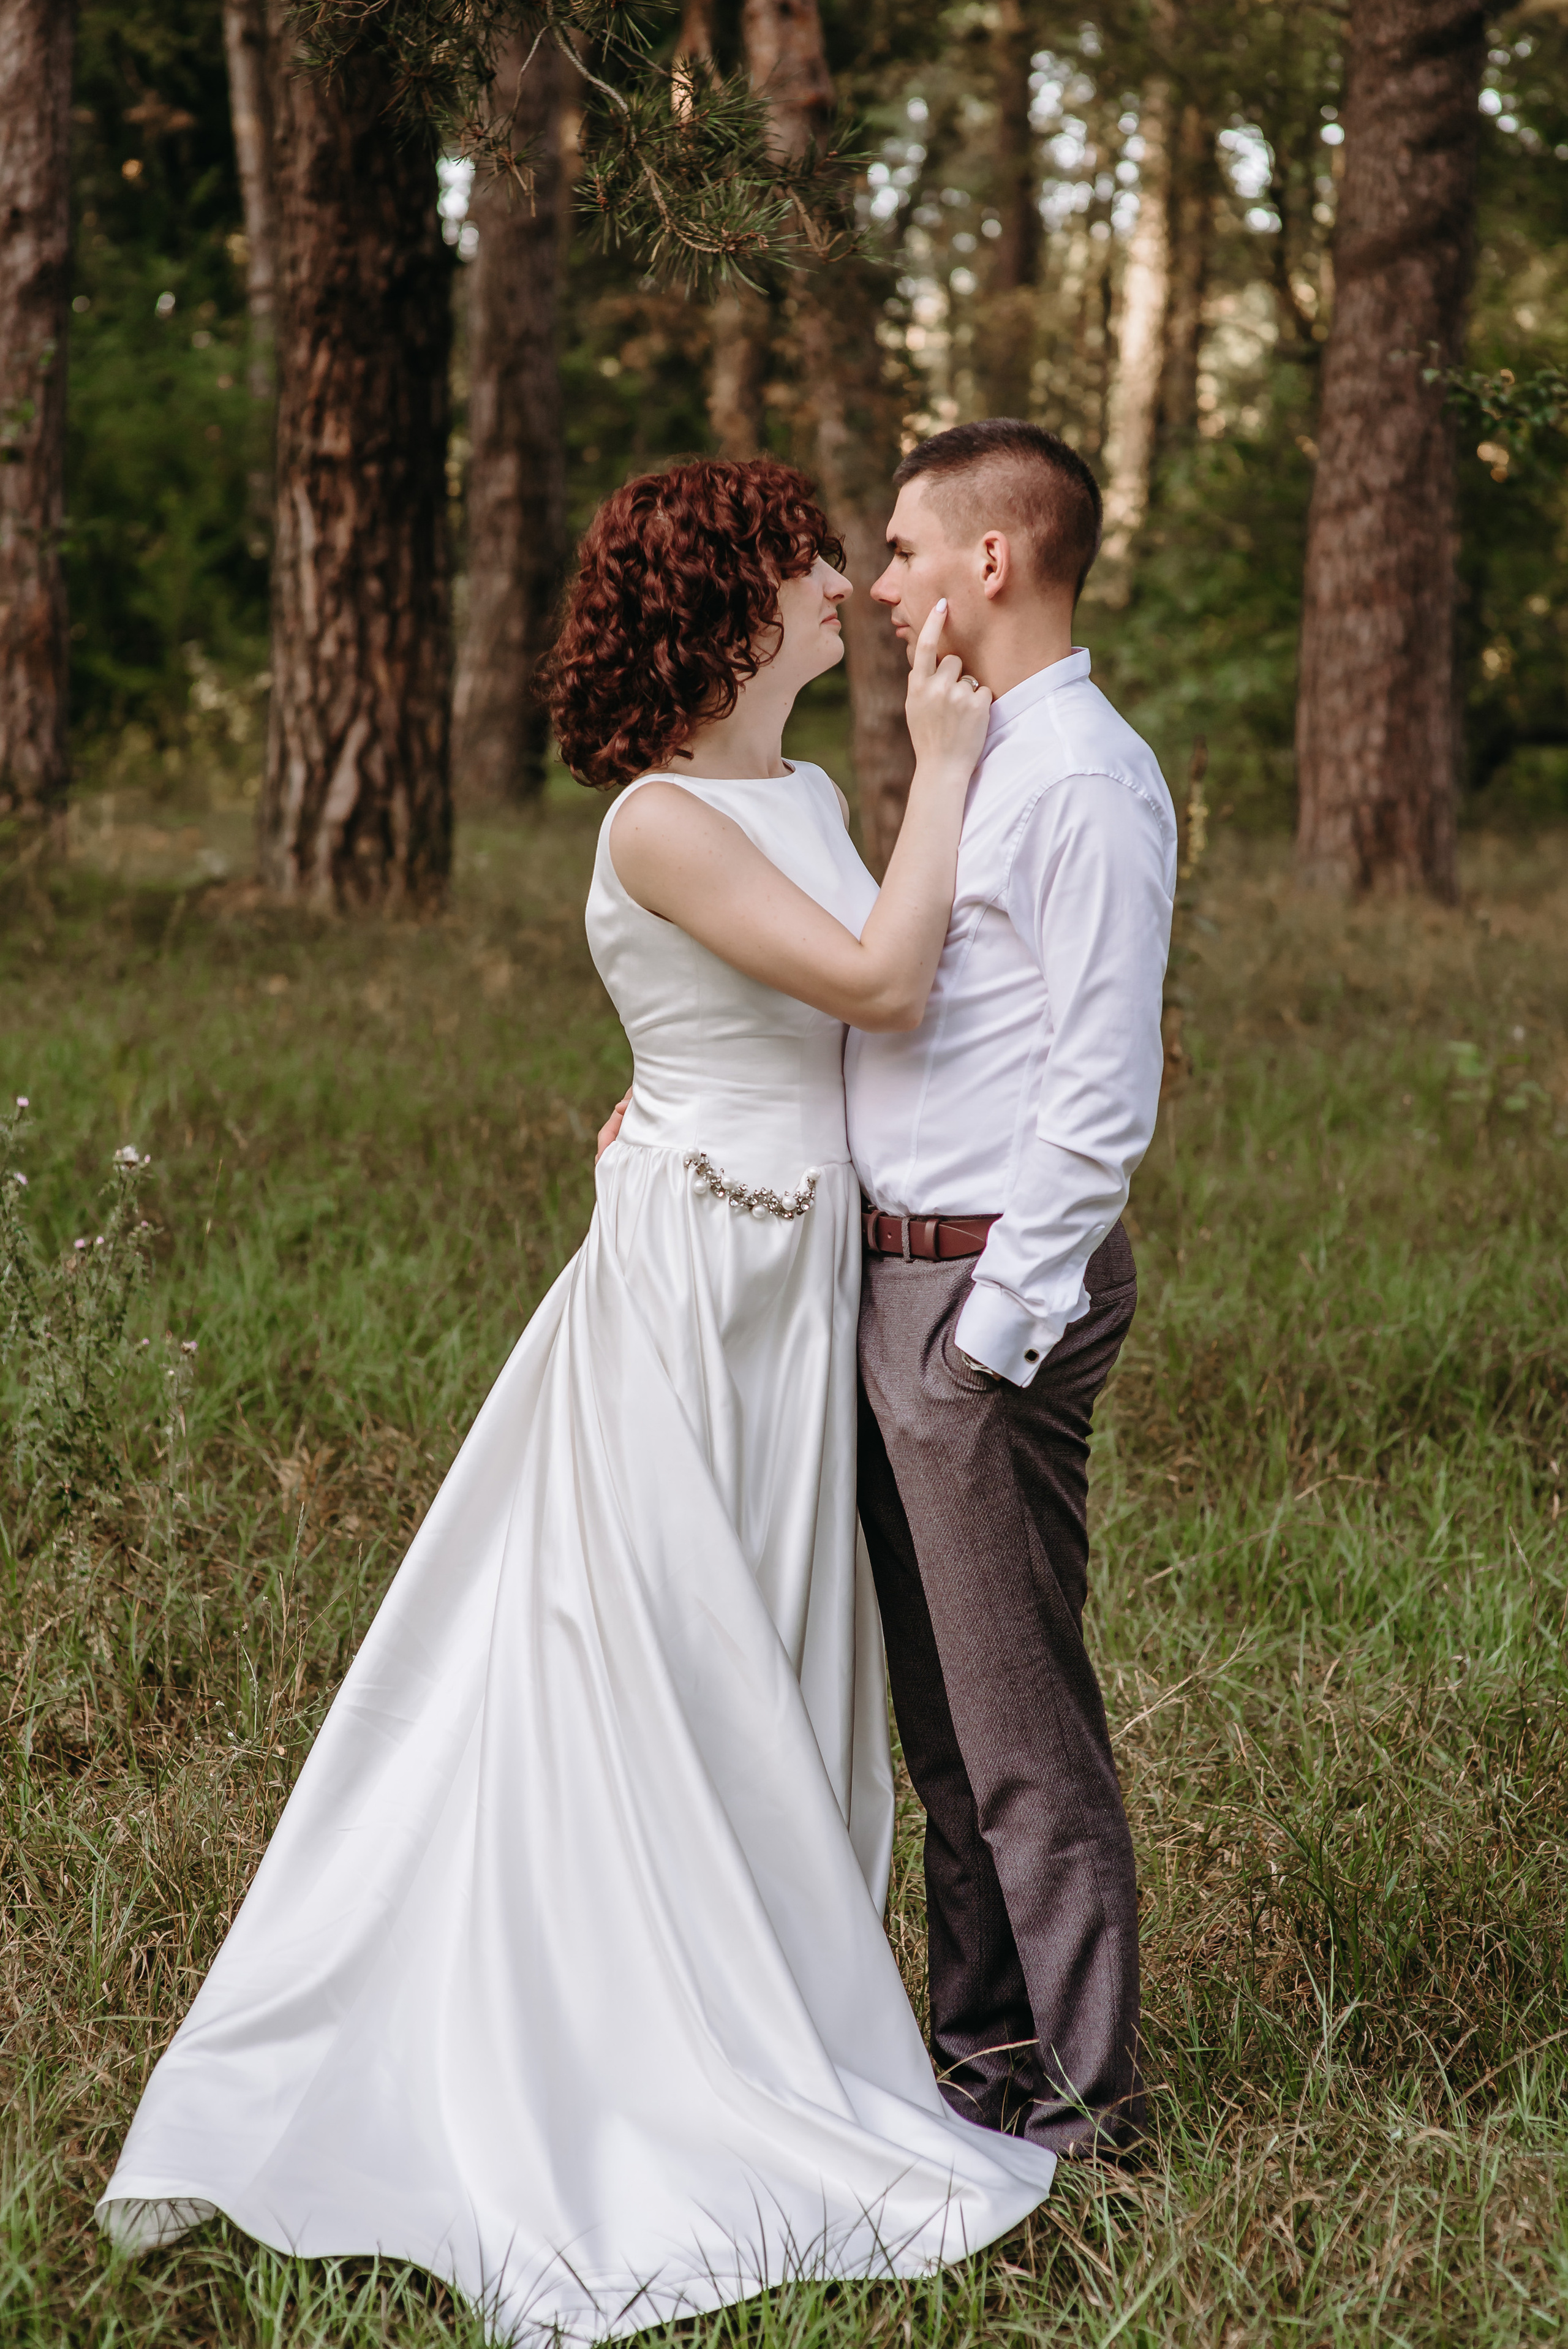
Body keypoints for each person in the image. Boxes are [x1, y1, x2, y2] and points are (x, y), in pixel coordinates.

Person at [95, 458, 1055, 2344]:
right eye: (803, 566)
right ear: (727, 605)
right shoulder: (651, 827)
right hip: (696, 1287)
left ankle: (778, 1980)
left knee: (779, 1650)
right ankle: (640, 2036)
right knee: (657, 1660)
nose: (843, 592)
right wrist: (947, 776)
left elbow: (855, 1024)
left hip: (797, 1276)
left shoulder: (792, 793)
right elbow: (872, 980)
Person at [849, 418, 1177, 2162]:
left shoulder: (1086, 779)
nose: (882, 581)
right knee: (945, 1733)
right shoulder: (969, 752)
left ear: (993, 560)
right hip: (896, 1291)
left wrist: (987, 1335)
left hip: (987, 1297)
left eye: (904, 548)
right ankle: (977, 2068)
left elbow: (1100, 1095)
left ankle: (1085, 2112)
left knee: (1021, 1729)